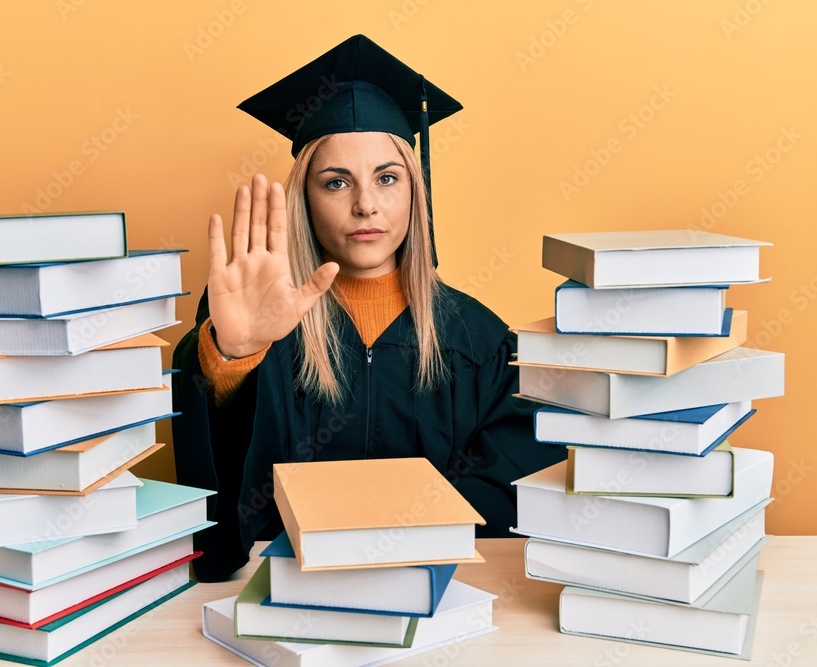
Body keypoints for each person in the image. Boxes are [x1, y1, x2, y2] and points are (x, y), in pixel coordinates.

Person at [172, 35, 565, 582]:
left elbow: (512, 493)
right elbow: (225, 519)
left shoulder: (477, 338)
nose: (366, 204)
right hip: (287, 591)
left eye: (387, 177)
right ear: (305, 199)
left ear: (414, 190)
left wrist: (408, 548)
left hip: (440, 596)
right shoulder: (262, 321)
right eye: (336, 182)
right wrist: (231, 358)